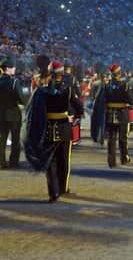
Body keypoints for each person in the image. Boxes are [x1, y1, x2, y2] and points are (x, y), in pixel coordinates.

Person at [24, 59, 84, 202]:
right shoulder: (68, 89)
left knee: (50, 161)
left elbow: (34, 113)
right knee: (64, 160)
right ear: (62, 74)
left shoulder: (41, 91)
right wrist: (73, 116)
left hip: (48, 129)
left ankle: (53, 193)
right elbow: (79, 108)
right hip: (64, 128)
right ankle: (63, 188)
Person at [92, 64, 133, 168]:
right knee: (123, 138)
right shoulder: (125, 85)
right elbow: (131, 100)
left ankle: (111, 161)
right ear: (119, 73)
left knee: (111, 138)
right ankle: (124, 158)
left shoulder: (106, 85)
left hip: (110, 113)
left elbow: (102, 100)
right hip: (122, 113)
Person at [0, 55, 27, 169]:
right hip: (14, 114)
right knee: (15, 139)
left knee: (2, 139)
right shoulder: (14, 81)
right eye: (13, 67)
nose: (15, 69)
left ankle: (1, 162)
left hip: (1, 114)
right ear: (8, 68)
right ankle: (13, 162)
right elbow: (21, 98)